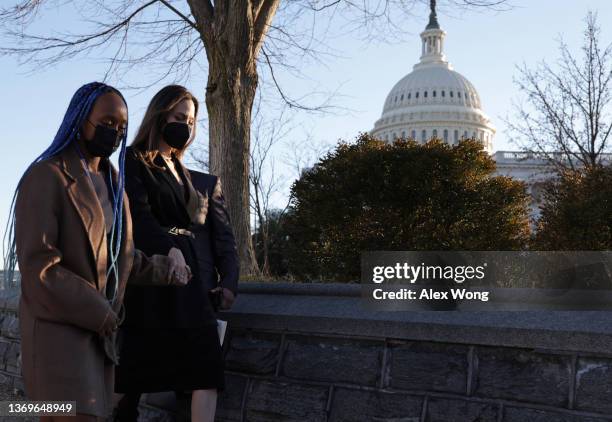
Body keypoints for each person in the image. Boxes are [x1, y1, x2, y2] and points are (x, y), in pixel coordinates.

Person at [4, 82, 193, 421]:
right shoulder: (46, 176)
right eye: (106, 123)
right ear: (80, 119)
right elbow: (40, 268)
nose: (115, 133)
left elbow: (120, 260)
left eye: (121, 127)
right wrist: (100, 312)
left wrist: (167, 270)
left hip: (99, 340)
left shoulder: (114, 184)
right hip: (57, 336)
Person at [113, 85, 239, 422]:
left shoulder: (182, 170)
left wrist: (224, 279)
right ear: (160, 116)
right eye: (180, 117)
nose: (187, 125)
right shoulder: (133, 160)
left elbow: (210, 231)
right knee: (133, 372)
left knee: (207, 367)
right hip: (154, 274)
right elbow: (137, 216)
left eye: (193, 121)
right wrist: (168, 249)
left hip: (191, 278)